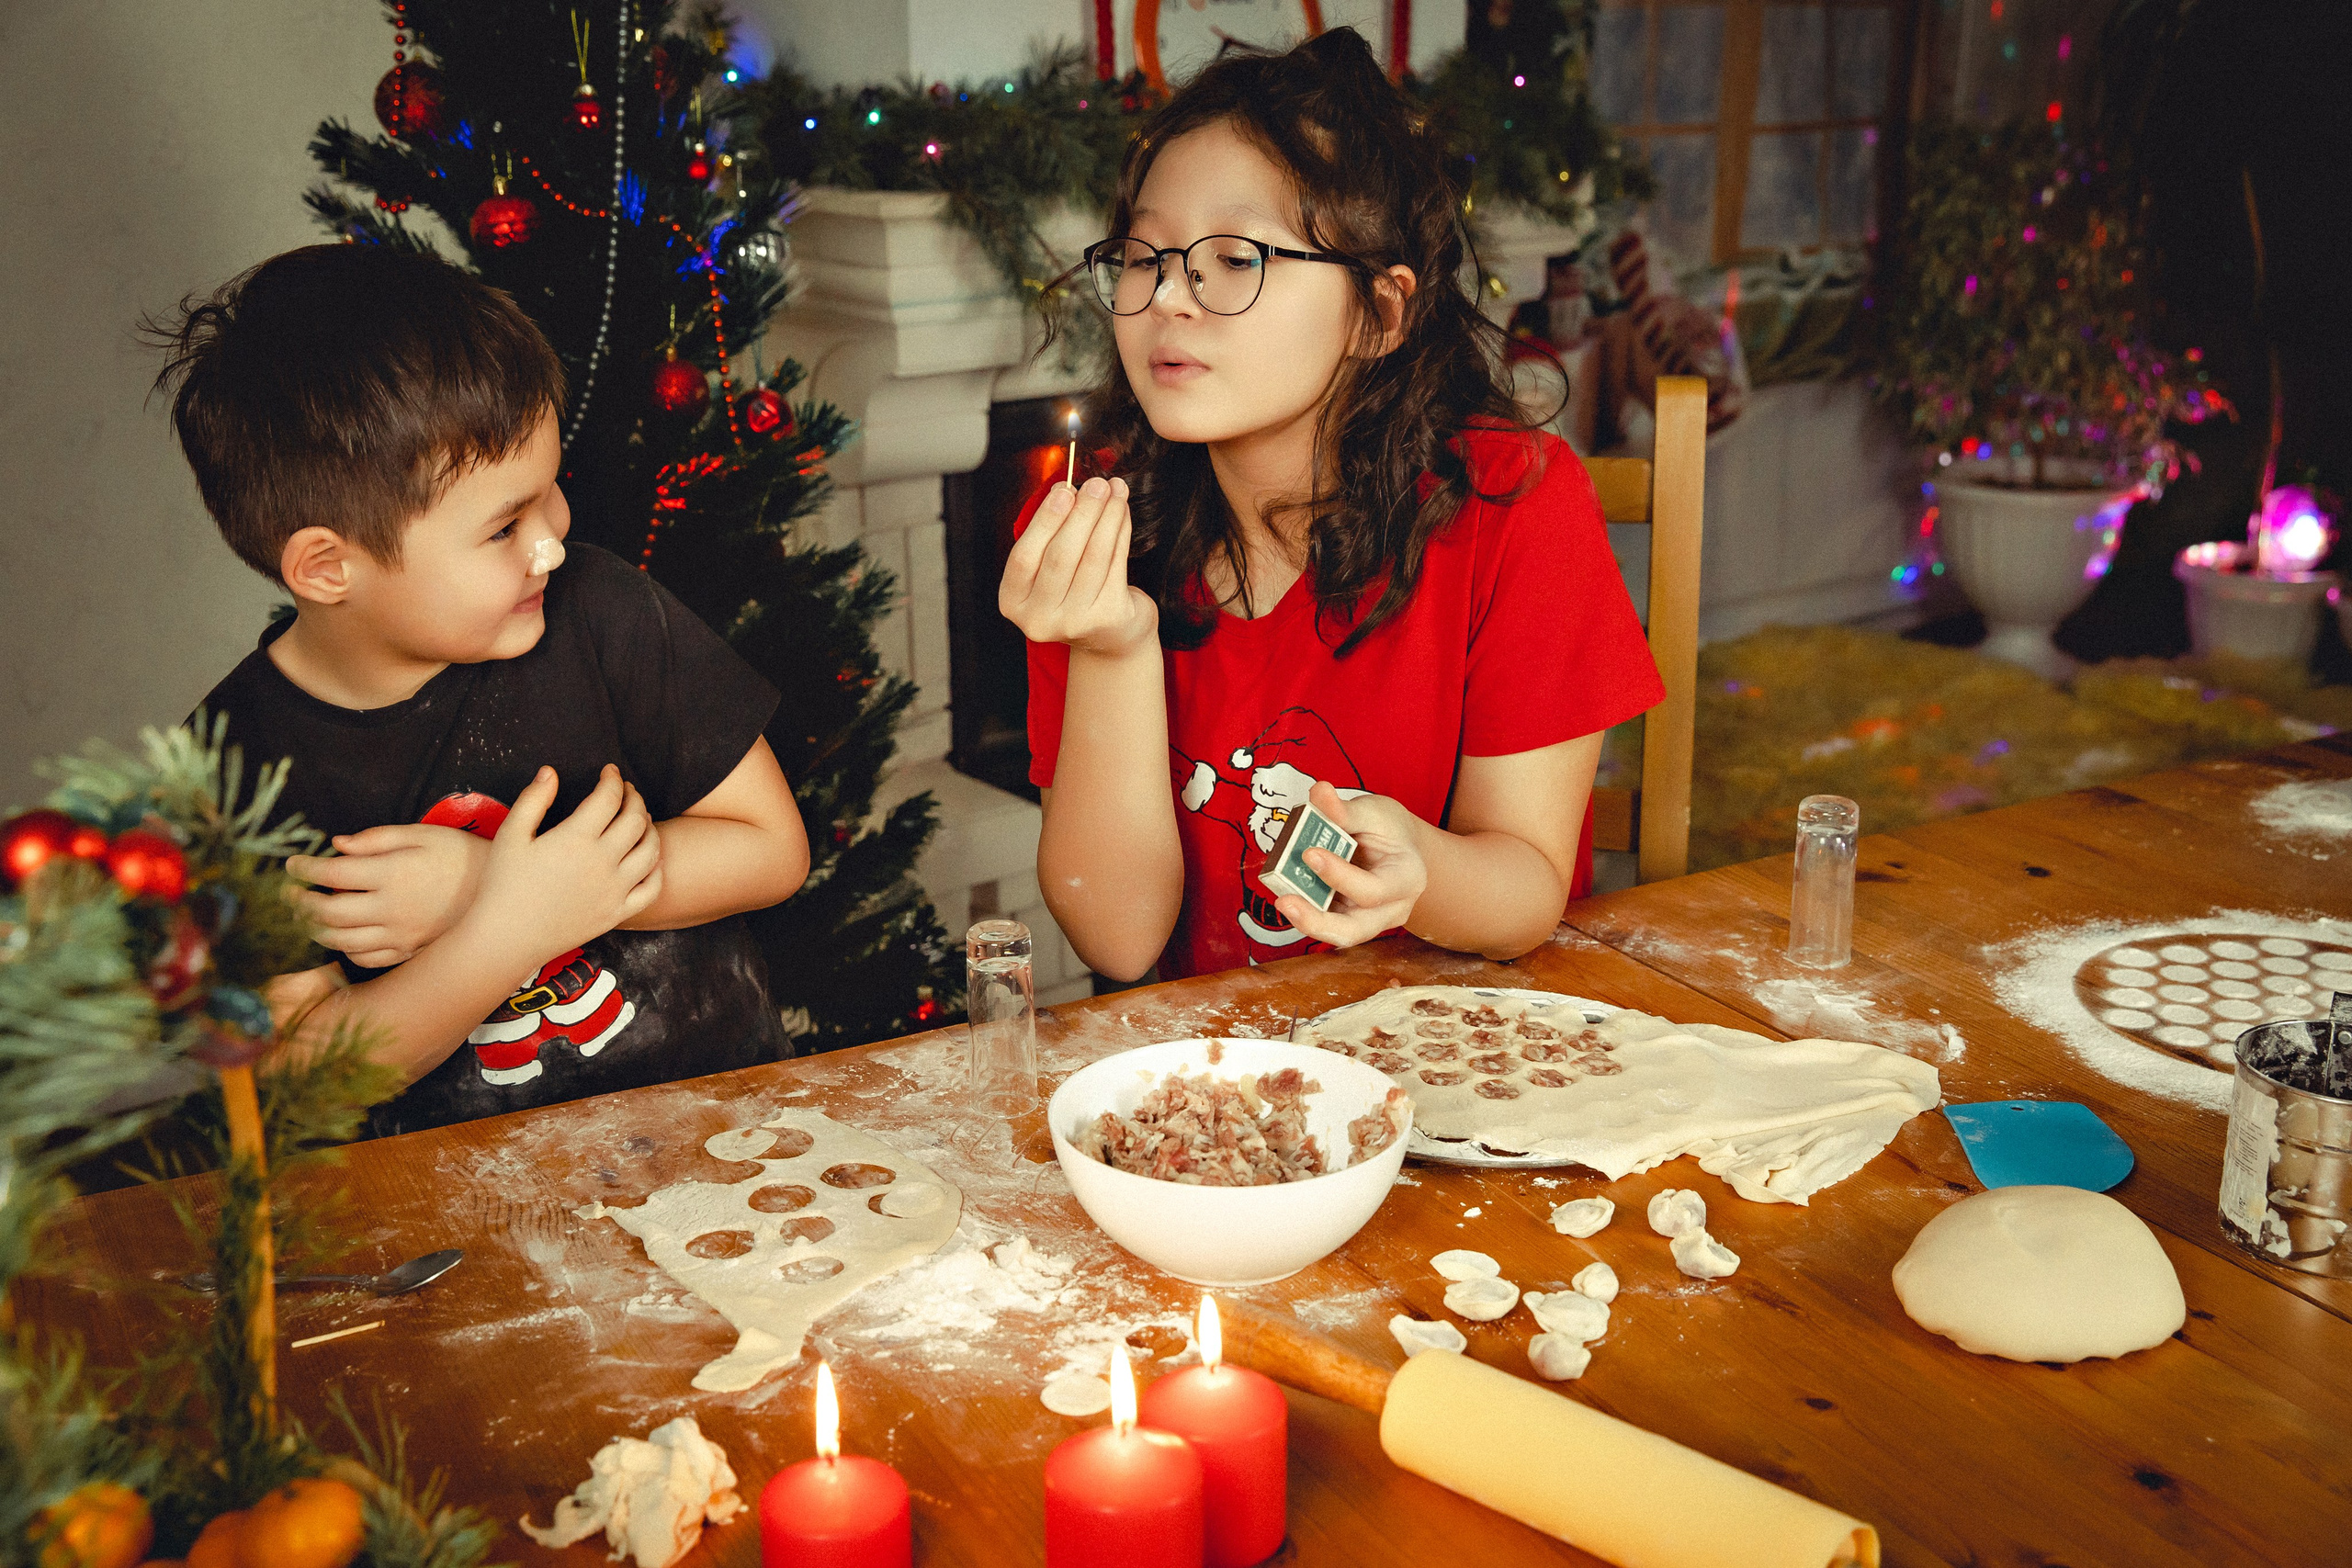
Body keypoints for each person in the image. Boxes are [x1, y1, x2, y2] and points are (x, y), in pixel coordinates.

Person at [1002, 30, 1663, 983]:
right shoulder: (1087, 531)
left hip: (1457, 1057)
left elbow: (1525, 893)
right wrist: (1112, 647)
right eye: (1144, 256)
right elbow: (1118, 938)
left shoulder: (1510, 507)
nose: (1167, 300)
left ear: (1378, 314)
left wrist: (1423, 872)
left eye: (1234, 258)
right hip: (1214, 1084)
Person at [152, 244, 810, 1134]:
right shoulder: (229, 771)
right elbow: (307, 1071)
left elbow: (770, 851)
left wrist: (482, 887)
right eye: (503, 527)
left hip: (726, 1135)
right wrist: (509, 926)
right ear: (327, 567)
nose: (551, 544)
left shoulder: (601, 609)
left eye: (550, 494)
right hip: (452, 1208)